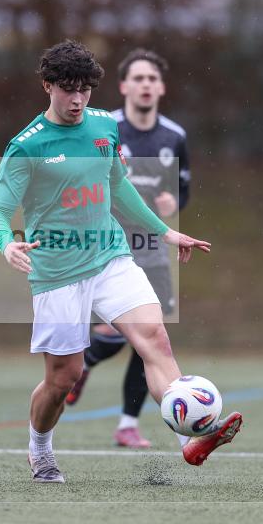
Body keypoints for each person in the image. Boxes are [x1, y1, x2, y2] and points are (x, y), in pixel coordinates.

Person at [0, 40, 241, 483]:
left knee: (155, 341)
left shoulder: (104, 126)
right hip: (57, 273)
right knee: (64, 376)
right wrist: (6, 242)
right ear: (48, 86)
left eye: (85, 88)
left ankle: (191, 437)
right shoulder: (26, 146)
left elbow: (118, 185)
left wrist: (164, 230)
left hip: (111, 258)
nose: (78, 99)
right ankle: (40, 449)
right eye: (68, 89)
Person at [65, 48, 191, 450]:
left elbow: (181, 187)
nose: (145, 85)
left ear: (162, 87)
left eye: (152, 79)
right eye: (137, 78)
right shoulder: (104, 129)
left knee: (151, 339)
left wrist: (175, 202)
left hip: (152, 250)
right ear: (123, 87)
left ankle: (127, 424)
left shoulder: (175, 136)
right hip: (108, 248)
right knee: (116, 332)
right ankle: (82, 363)